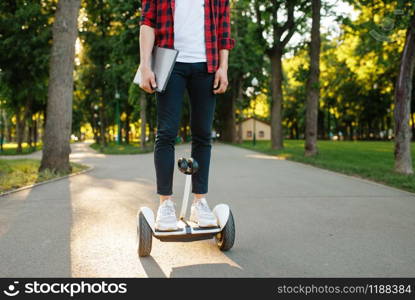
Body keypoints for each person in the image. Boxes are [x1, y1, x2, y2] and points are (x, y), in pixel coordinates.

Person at [139, 0, 235, 230]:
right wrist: (145, 66)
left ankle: (199, 202)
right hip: (169, 62)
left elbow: (223, 30)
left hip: (206, 65)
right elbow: (147, 23)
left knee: (203, 134)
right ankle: (165, 204)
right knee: (166, 133)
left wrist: (223, 67)